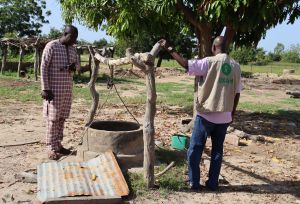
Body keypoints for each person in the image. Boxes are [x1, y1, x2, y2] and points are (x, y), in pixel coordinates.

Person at [159, 37, 242, 191]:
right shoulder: (236, 66)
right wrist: (232, 114)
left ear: (213, 47)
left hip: (206, 115)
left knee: (195, 149)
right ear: (226, 47)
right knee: (217, 150)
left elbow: (185, 64)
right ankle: (212, 184)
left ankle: (194, 182)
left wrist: (169, 49)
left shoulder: (208, 62)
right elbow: (237, 93)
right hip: (225, 116)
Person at [40, 25, 80, 160]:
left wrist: (74, 67)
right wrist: (45, 88)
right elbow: (44, 67)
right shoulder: (51, 46)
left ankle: (58, 145)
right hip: (53, 90)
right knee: (52, 119)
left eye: (76, 38)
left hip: (67, 89)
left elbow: (77, 66)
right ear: (65, 34)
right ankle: (50, 148)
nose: (74, 40)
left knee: (62, 118)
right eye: (73, 37)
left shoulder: (73, 50)